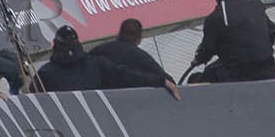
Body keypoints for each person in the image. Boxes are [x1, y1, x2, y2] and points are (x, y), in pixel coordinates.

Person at [38, 27, 181, 98]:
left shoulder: (45, 73)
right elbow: (128, 76)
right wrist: (161, 81)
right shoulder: (97, 64)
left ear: (55, 44)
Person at [192, 0, 275, 82]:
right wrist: (261, 49)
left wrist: (198, 59)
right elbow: (272, 30)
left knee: (201, 78)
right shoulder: (255, 2)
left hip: (238, 74)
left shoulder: (214, 19)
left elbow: (208, 48)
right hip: (268, 68)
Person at [90, 19, 168, 82]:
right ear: (139, 38)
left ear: (119, 33)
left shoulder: (97, 51)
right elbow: (167, 80)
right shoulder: (141, 56)